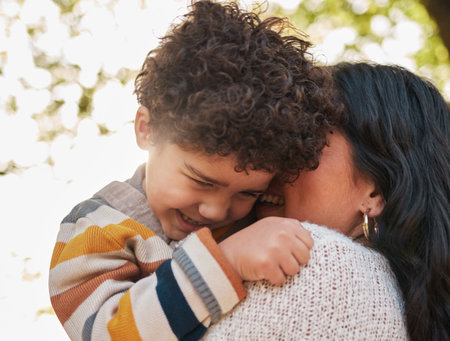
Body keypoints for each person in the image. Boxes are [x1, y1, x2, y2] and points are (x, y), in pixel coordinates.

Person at [48, 1, 339, 340]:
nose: (215, 210)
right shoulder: (96, 230)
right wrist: (225, 261)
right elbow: (107, 333)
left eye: (248, 192)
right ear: (148, 129)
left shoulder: (252, 218)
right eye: (201, 180)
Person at [203, 62, 449, 340]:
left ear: (374, 191)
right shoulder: (390, 291)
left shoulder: (322, 266)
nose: (274, 159)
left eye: (306, 143)